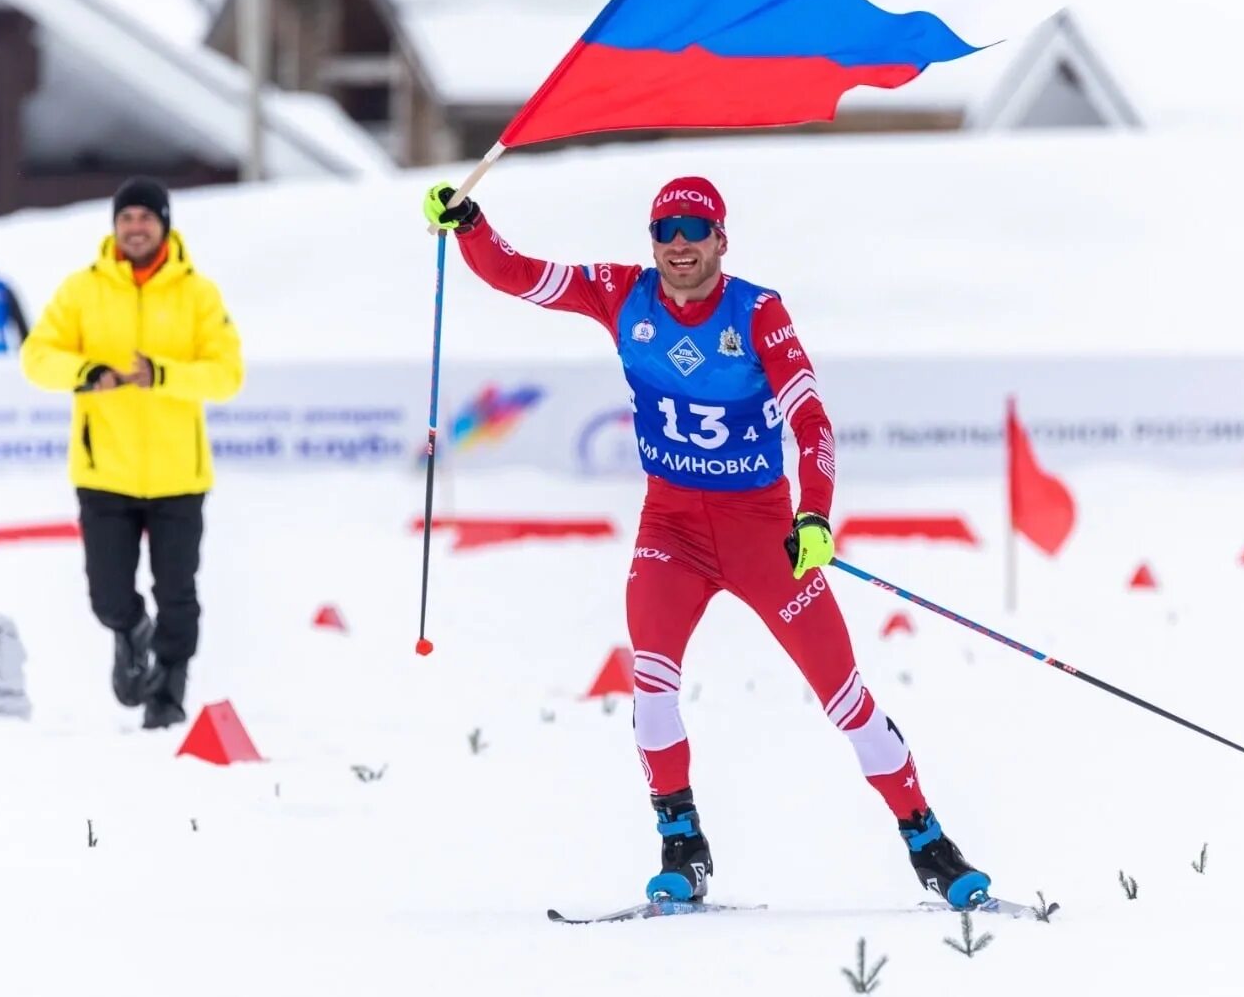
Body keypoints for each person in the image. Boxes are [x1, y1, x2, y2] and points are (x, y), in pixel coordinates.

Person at [422, 177, 991, 908]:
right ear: (652, 242)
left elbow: (811, 421)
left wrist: (814, 517)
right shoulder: (621, 294)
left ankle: (929, 843)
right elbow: (519, 275)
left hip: (764, 538)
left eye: (696, 227)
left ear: (722, 239)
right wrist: (468, 223)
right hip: (672, 531)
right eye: (666, 229)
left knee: (844, 698)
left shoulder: (758, 312)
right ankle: (681, 848)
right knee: (652, 689)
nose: (680, 242)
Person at [20, 178, 243, 729]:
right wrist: (85, 373)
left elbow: (226, 375)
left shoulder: (198, 294)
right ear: (114, 227)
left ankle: (168, 689)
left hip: (178, 476)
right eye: (127, 219)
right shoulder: (82, 290)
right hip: (104, 471)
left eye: (146, 217)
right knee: (108, 595)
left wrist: (161, 375)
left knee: (177, 593)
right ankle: (129, 630)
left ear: (164, 224)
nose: (136, 227)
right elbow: (36, 355)